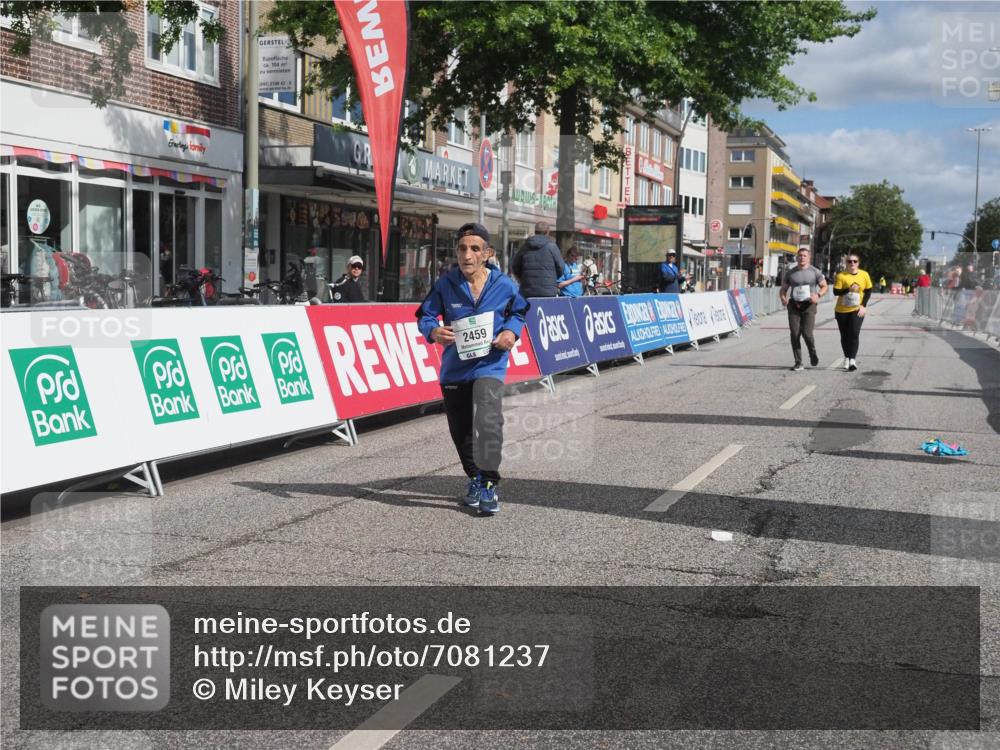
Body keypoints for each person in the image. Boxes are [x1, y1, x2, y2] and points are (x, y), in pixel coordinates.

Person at [416, 222, 529, 515]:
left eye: (475, 249)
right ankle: (476, 478)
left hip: (490, 365)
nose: (467, 255)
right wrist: (432, 332)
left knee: (489, 422)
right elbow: (425, 315)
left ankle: (490, 483)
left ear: (487, 253)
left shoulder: (503, 284)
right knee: (462, 431)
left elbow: (519, 311)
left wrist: (511, 333)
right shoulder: (445, 283)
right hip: (455, 370)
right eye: (462, 248)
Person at [779, 248, 828, 371]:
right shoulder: (790, 273)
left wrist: (818, 295)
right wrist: (783, 298)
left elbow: (824, 286)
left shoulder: (815, 272)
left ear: (809, 257)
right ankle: (798, 362)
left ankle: (812, 352)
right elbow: (783, 289)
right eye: (800, 255)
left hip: (809, 304)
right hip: (794, 305)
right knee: (794, 334)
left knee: (807, 333)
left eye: (805, 256)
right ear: (797, 257)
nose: (802, 258)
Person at [833, 254, 873, 372]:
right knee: (845, 335)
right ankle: (846, 357)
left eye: (855, 261)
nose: (852, 264)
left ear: (858, 263)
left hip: (857, 310)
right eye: (850, 261)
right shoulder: (841, 276)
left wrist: (863, 305)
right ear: (846, 263)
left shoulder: (864, 274)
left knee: (854, 333)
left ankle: (852, 360)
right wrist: (848, 289)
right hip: (842, 310)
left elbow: (869, 290)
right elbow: (836, 292)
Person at [509, 221, 564, 297]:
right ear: (547, 232)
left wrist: (524, 278)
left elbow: (515, 266)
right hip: (548, 291)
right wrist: (551, 277)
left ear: (535, 231)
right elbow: (561, 267)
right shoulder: (552, 246)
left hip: (528, 290)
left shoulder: (525, 246)